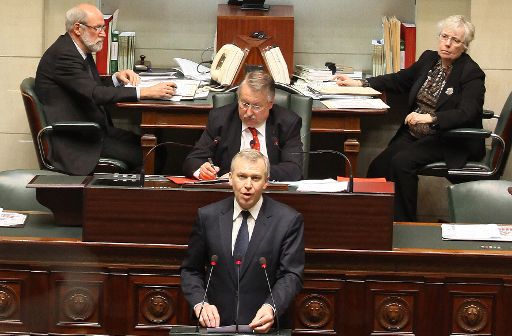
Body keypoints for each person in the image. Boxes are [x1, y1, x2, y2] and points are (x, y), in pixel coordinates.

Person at [334, 15, 486, 221]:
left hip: (446, 138)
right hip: (415, 134)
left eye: (456, 40)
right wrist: (361, 83)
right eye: (444, 36)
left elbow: (468, 113)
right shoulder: (429, 59)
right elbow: (399, 80)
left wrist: (431, 118)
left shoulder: (471, 73)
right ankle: (375, 222)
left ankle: (404, 224)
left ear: (465, 45)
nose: (448, 43)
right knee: (378, 167)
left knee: (401, 164)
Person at [35, 3, 177, 175]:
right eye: (98, 28)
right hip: (78, 141)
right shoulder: (64, 55)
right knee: (152, 154)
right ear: (78, 28)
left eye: (103, 27)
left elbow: (89, 88)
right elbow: (96, 94)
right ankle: (131, 199)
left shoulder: (79, 50)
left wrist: (116, 79)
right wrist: (145, 92)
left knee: (158, 148)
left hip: (95, 131)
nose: (103, 34)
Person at [180, 149, 304, 332]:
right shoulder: (208, 216)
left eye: (255, 178)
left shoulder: (288, 220)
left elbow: (291, 275)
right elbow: (190, 270)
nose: (248, 185)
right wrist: (200, 303)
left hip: (262, 327)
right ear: (230, 178)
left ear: (266, 182)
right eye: (242, 176)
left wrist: (272, 307)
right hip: (216, 326)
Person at [182, 71, 303, 181]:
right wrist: (202, 171)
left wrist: (259, 173)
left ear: (270, 104)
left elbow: (294, 169)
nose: (249, 112)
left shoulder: (288, 123)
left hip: (271, 192)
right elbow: (192, 160)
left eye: (256, 106)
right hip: (228, 193)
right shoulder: (220, 119)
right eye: (244, 104)